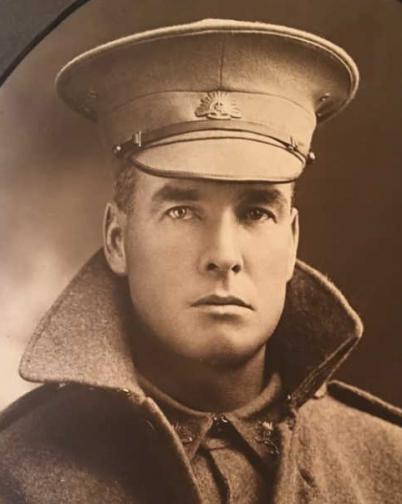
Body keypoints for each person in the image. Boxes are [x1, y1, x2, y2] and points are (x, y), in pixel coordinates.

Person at [0, 18, 401, 504]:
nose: (224, 256)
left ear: (292, 241)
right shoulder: (17, 473)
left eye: (256, 212)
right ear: (117, 239)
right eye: (182, 211)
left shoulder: (387, 465)